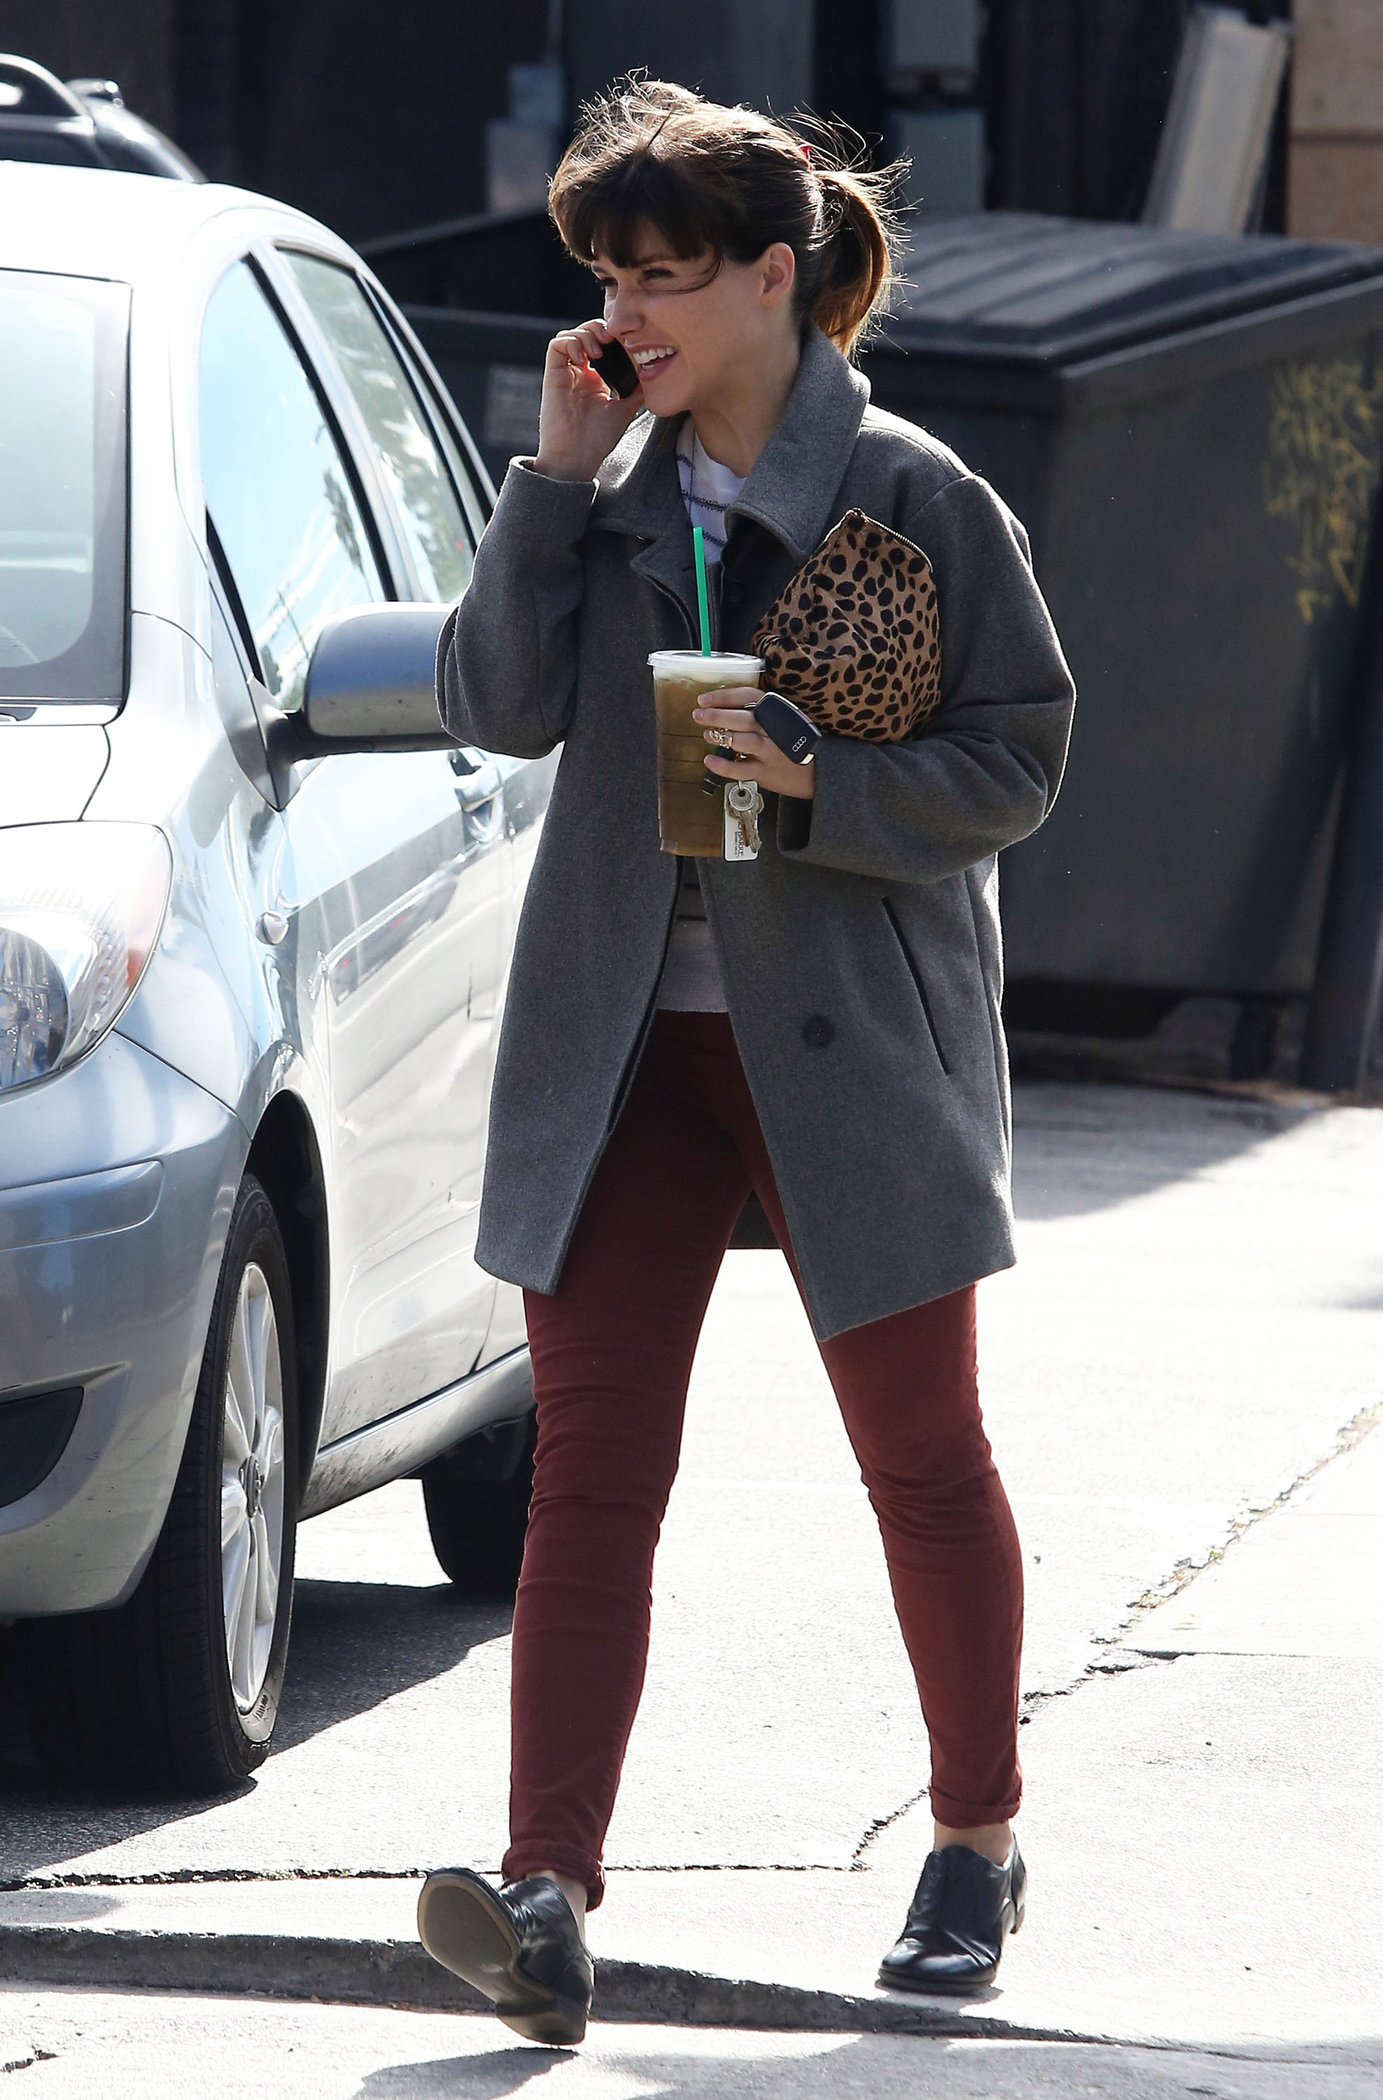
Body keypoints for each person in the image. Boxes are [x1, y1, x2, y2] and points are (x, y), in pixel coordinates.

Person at [417, 77, 1076, 2046]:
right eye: (609, 272)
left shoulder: (913, 497)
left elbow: (1017, 761)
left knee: (919, 1461)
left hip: (850, 1044)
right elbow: (492, 705)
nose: (629, 307)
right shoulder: (602, 491)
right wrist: (545, 477)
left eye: (666, 274)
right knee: (587, 1469)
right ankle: (544, 1890)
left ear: (773, 275)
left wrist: (819, 781)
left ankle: (971, 1838)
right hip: (623, 1049)